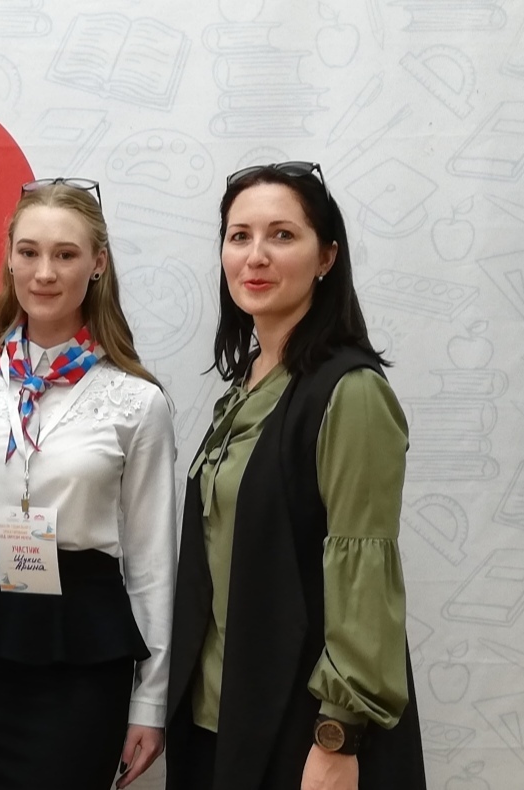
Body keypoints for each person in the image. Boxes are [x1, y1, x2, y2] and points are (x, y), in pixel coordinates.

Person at [165, 162, 426, 790]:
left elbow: (364, 573)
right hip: (220, 718)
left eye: (282, 235)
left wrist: (339, 734)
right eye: (239, 236)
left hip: (305, 731)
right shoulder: (247, 385)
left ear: (326, 257)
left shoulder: (350, 392)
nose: (255, 256)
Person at [0, 178, 178, 790]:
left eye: (65, 254)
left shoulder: (137, 402)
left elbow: (152, 563)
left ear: (98, 264)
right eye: (29, 251)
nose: (44, 272)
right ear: (9, 257)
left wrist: (150, 700)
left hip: (86, 653)